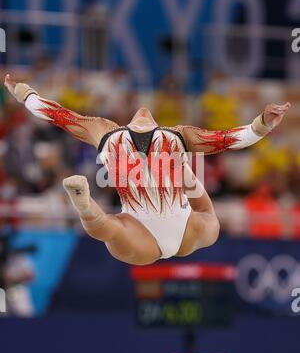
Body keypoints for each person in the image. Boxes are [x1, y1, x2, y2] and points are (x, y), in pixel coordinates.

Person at [4, 74, 290, 265]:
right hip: (153, 231)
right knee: (113, 229)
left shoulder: (112, 134)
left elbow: (228, 139)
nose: (142, 109)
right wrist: (23, 92)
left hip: (166, 227)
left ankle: (86, 207)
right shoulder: (162, 135)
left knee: (116, 229)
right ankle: (86, 206)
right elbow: (58, 116)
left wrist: (261, 124)